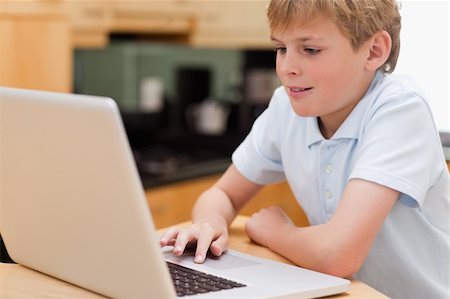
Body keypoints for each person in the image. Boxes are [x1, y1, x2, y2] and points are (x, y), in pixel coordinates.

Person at [160, 0, 450, 297]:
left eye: (310, 50)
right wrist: (209, 222)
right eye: (281, 48)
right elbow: (222, 194)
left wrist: (275, 232)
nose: (286, 69)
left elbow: (337, 254)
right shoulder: (286, 107)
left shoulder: (400, 109)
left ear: (374, 50)